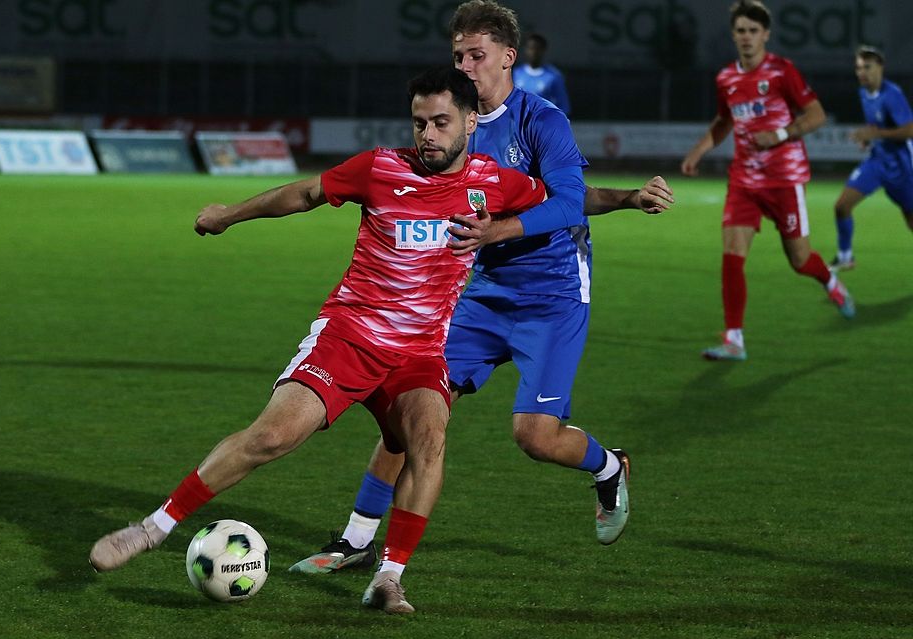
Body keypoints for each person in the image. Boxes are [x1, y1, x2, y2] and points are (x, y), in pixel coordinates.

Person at [88, 66, 548, 615]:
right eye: (419, 122)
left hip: (419, 354)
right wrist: (228, 216)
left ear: (471, 122)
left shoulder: (496, 182)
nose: (428, 134)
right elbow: (305, 192)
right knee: (271, 437)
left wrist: (627, 198)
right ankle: (151, 529)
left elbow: (567, 198)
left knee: (428, 440)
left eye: (441, 122)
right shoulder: (380, 168)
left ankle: (389, 578)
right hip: (349, 337)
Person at [289, 0, 675, 576]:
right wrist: (625, 198)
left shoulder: (541, 119)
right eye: (458, 56)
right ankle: (356, 539)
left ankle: (609, 467)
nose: (465, 66)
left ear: (508, 57)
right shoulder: (453, 122)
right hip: (484, 292)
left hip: (553, 297)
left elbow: (568, 201)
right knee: (412, 408)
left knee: (535, 437)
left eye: (477, 55)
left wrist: (504, 228)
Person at [680, 0, 855, 362]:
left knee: (800, 260)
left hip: (784, 180)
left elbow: (817, 115)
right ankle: (734, 340)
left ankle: (830, 281)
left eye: (753, 31)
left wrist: (779, 134)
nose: (746, 37)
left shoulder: (781, 72)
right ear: (733, 35)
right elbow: (724, 121)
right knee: (732, 254)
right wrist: (698, 151)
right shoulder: (726, 79)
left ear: (766, 35)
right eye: (740, 30)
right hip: (744, 181)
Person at [829, 45, 913, 271]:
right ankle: (845, 256)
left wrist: (876, 134)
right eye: (858, 68)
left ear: (880, 68)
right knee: (841, 207)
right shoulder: (863, 93)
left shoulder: (892, 94)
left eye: (867, 67)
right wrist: (868, 139)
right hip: (877, 162)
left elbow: (910, 130)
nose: (862, 72)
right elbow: (876, 126)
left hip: (902, 167)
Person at [512, 33, 571, 116]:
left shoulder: (554, 76)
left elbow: (564, 106)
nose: (534, 52)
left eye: (537, 49)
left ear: (543, 50)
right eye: (531, 48)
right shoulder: (516, 73)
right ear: (525, 50)